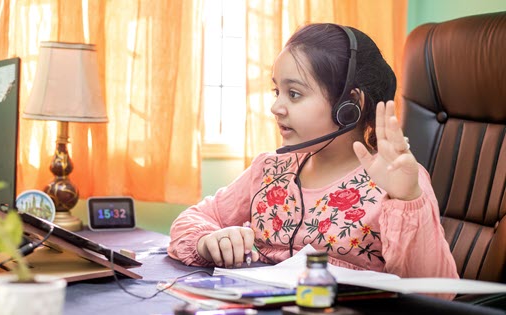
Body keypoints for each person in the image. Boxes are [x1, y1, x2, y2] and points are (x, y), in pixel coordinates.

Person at [168, 23, 458, 284]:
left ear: (350, 103)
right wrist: (209, 240)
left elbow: (436, 291)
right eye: (276, 92)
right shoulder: (270, 169)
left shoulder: (400, 182)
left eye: (294, 94)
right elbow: (192, 220)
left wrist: (407, 199)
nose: (276, 107)